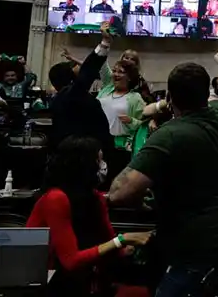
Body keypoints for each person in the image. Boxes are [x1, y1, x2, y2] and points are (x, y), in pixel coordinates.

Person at [107, 62, 218, 297]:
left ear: (171, 97)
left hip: (203, 252)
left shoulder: (169, 135)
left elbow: (119, 193)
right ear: (205, 93)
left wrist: (160, 108)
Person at [27, 136, 151, 296]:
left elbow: (110, 242)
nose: (103, 166)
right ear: (83, 166)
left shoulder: (96, 198)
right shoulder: (55, 199)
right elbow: (71, 261)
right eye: (98, 161)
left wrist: (129, 248)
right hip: (52, 284)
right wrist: (121, 240)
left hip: (89, 281)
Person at [49, 23, 114, 153]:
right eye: (74, 67)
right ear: (70, 76)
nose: (79, 67)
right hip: (84, 156)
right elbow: (89, 69)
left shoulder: (59, 99)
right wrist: (105, 42)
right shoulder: (72, 94)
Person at [97, 57, 145, 153]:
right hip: (98, 142)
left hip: (119, 147)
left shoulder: (135, 98)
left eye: (121, 72)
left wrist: (131, 121)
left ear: (130, 77)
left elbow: (143, 124)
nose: (115, 74)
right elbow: (102, 66)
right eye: (114, 71)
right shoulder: (106, 90)